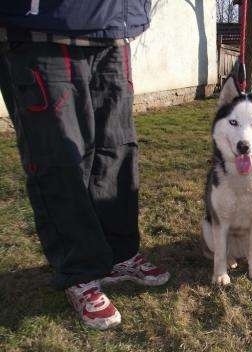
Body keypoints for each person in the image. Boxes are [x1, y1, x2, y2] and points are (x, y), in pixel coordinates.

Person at [0, 1, 170, 330]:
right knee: (60, 159)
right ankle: (80, 270)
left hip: (116, 27)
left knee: (117, 150)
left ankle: (119, 253)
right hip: (42, 28)